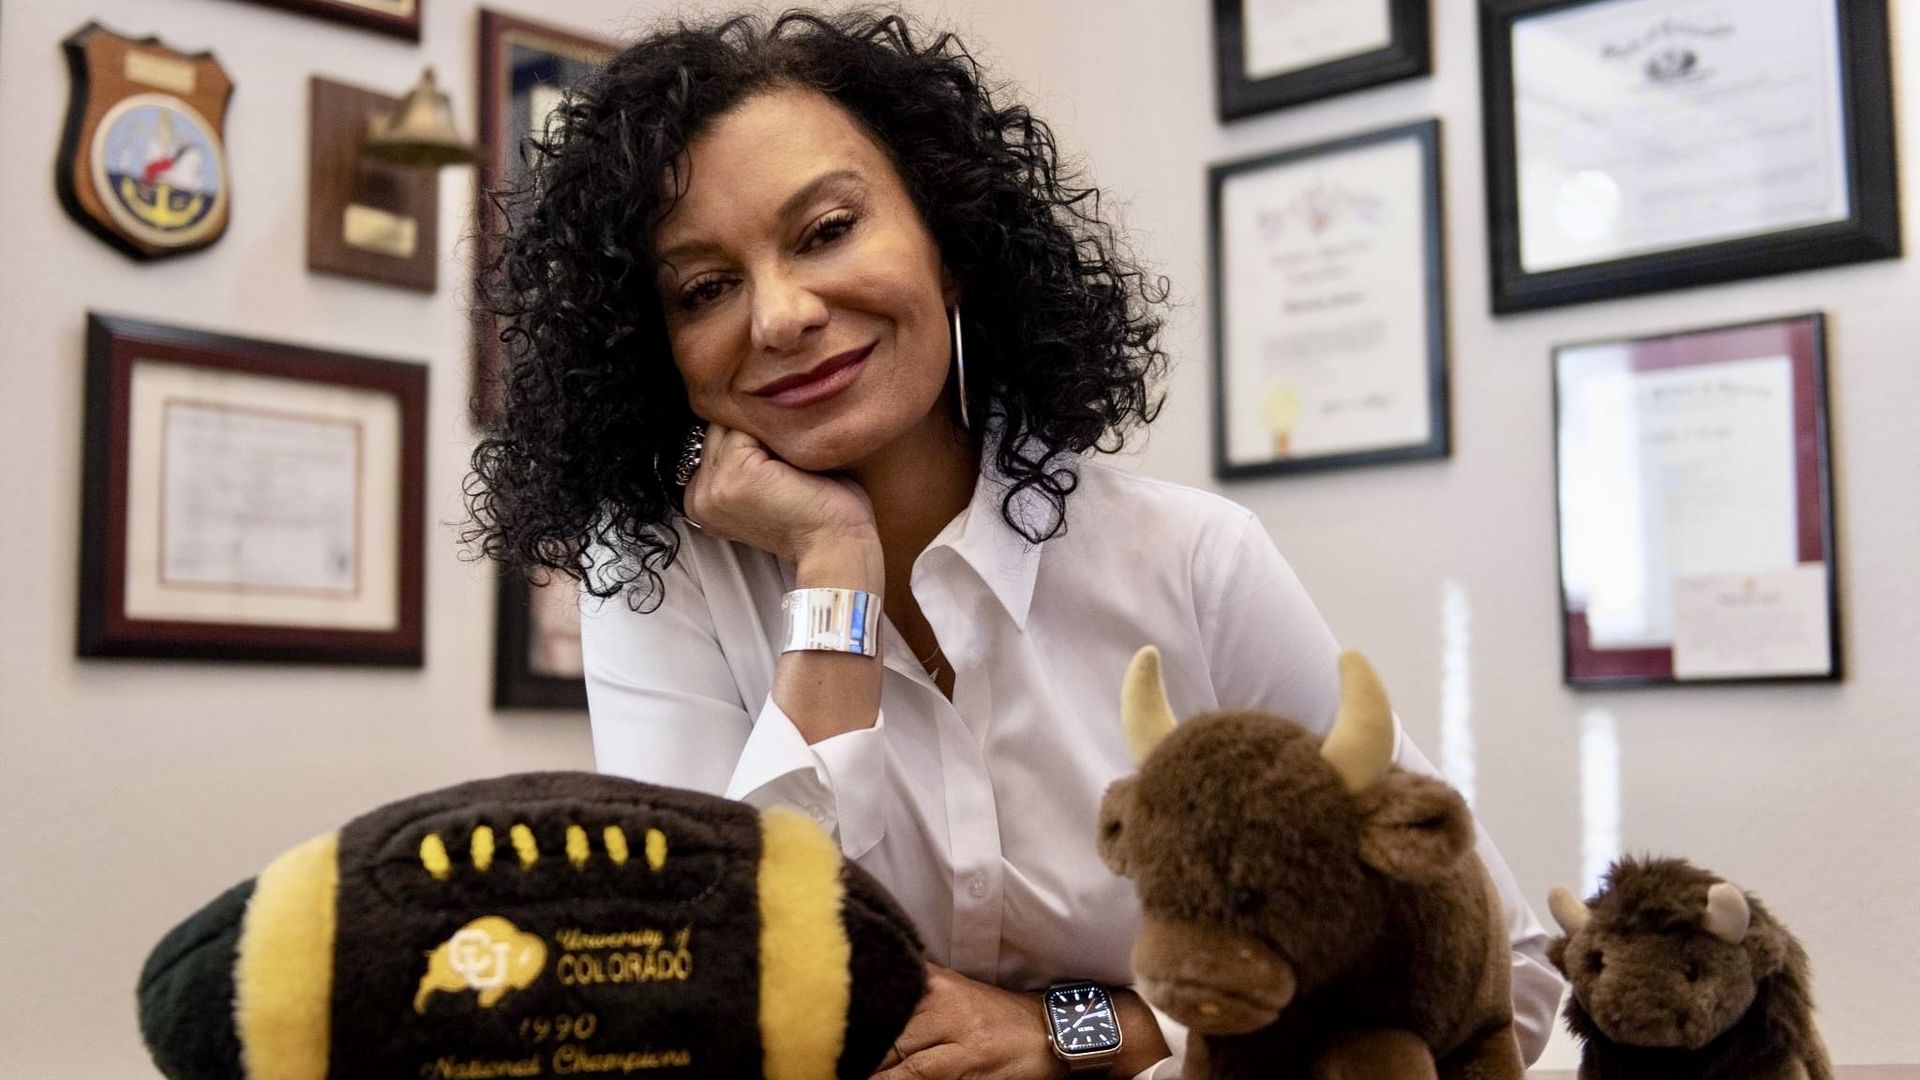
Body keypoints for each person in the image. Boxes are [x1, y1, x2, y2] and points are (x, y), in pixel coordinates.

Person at [466, 9, 1563, 1078]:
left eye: (827, 230)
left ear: (951, 249)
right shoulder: (658, 587)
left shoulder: (1188, 560)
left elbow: (1493, 971)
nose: (782, 314)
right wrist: (833, 566)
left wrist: (1076, 1031)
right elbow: (716, 985)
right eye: (705, 288)